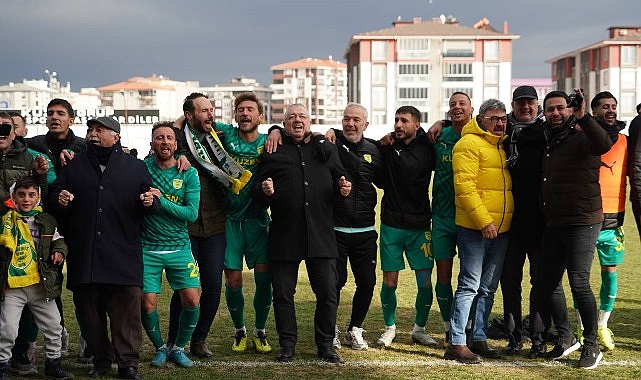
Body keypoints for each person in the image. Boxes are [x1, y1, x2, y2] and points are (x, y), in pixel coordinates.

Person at [47, 116, 158, 380]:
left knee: (126, 314)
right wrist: (60, 199)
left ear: (116, 137)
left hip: (123, 253)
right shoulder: (74, 167)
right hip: (86, 253)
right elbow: (52, 198)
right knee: (90, 314)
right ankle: (101, 359)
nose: (93, 134)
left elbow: (151, 201)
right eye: (90, 129)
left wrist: (147, 201)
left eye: (100, 130)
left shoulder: (136, 167)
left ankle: (128, 363)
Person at [252, 103, 351, 363]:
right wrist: (265, 190)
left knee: (328, 293)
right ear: (284, 125)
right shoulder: (272, 152)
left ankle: (326, 344)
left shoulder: (326, 150)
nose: (298, 120)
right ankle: (287, 344)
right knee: (283, 294)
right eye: (292, 117)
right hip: (285, 235)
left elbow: (343, 183)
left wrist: (344, 190)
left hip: (321, 235)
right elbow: (255, 193)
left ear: (310, 122)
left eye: (302, 116)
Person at [536, 89, 611, 370]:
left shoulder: (584, 132)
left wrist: (585, 116)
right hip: (555, 221)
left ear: (570, 110)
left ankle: (591, 345)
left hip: (583, 220)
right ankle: (567, 338)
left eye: (560, 108)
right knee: (548, 282)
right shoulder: (547, 137)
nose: (555, 113)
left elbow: (603, 144)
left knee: (579, 283)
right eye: (550, 109)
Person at [444, 99, 513, 364]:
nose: (499, 123)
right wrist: (485, 221)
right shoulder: (468, 144)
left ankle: (480, 335)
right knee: (469, 286)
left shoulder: (501, 145)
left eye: (503, 118)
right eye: (494, 118)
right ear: (481, 119)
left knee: (487, 288)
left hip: (501, 229)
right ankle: (457, 342)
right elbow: (465, 188)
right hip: (476, 228)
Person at [213, 93, 273, 354]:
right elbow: (195, 123)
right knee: (234, 280)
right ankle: (239, 330)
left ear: (261, 116)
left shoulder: (269, 141)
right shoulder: (226, 136)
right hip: (230, 222)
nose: (245, 113)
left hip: (259, 221)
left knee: (264, 280)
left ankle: (260, 330)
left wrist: (277, 131)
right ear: (235, 116)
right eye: (240, 110)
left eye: (250, 109)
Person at [169, 93, 227, 359]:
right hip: (186, 226)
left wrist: (273, 129)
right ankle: (175, 340)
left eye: (211, 109)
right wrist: (178, 125)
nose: (210, 114)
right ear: (189, 115)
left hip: (215, 225)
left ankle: (199, 339)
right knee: (185, 287)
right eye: (203, 111)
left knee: (213, 286)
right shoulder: (176, 140)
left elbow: (249, 132)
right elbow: (162, 140)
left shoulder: (220, 138)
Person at [375, 106, 437, 349]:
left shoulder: (429, 145)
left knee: (425, 282)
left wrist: (440, 121)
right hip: (391, 225)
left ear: (417, 125)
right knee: (390, 281)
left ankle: (419, 329)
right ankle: (390, 328)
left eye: (404, 121)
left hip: (420, 225)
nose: (398, 125)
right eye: (396, 120)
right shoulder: (386, 147)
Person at [140, 122, 201, 368]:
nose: (164, 141)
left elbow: (191, 214)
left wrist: (161, 200)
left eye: (169, 138)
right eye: (159, 138)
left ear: (176, 144)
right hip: (147, 248)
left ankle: (178, 347)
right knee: (146, 303)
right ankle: (160, 348)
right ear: (152, 144)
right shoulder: (142, 169)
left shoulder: (188, 173)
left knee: (192, 300)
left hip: (179, 247)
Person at [0, 175, 72, 380]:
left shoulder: (47, 220)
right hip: (13, 286)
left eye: (31, 195)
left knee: (54, 325)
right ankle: (3, 363)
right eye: (21, 195)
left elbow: (59, 241)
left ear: (38, 198)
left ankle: (53, 363)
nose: (26, 199)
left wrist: (59, 252)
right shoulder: (5, 220)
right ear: (13, 196)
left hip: (41, 285)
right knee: (7, 328)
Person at [324, 103, 382, 350]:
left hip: (365, 231)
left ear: (365, 124)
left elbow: (384, 180)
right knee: (334, 283)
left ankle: (354, 330)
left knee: (367, 282)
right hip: (335, 229)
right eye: (346, 119)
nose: (351, 123)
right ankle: (331, 330)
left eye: (356, 119)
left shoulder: (375, 150)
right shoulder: (330, 144)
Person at [572, 92, 626, 352]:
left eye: (614, 106)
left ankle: (603, 324)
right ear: (593, 111)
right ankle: (584, 328)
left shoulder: (626, 140)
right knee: (580, 278)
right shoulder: (581, 136)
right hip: (586, 217)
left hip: (614, 221)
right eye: (605, 106)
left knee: (610, 273)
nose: (611, 110)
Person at [499, 86, 549, 357]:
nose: (526, 107)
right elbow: (472, 121)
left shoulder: (546, 130)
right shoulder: (502, 129)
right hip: (511, 223)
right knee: (509, 282)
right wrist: (442, 122)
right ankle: (514, 337)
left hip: (541, 222)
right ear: (513, 105)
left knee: (539, 283)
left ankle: (539, 339)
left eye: (530, 103)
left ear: (537, 105)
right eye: (521, 103)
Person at [430, 92, 473, 346]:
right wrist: (440, 123)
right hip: (443, 217)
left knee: (469, 278)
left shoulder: (480, 134)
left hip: (469, 216)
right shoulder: (439, 136)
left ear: (471, 108)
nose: (457, 107)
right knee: (443, 275)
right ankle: (448, 328)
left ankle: (466, 326)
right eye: (453, 104)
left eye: (462, 104)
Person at [27, 98, 85, 174]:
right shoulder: (34, 144)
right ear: (46, 121)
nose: (54, 117)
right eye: (50, 114)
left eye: (60, 114)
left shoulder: (83, 146)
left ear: (71, 121)